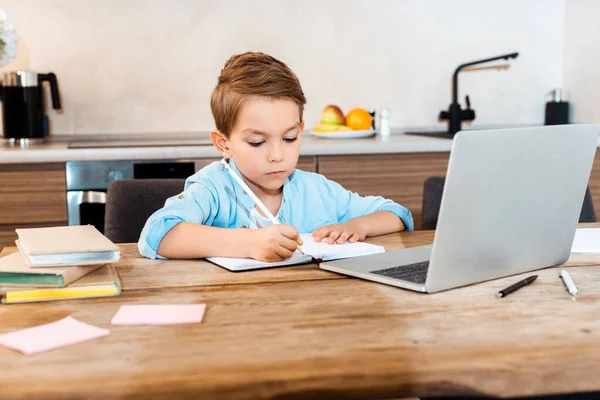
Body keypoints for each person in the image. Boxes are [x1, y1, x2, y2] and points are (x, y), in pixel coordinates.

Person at [138, 51, 413, 262]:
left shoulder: (316, 190)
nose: (277, 156)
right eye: (257, 142)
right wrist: (247, 243)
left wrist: (358, 225)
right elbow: (157, 234)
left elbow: (397, 214)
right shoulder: (212, 188)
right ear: (224, 144)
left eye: (289, 138)